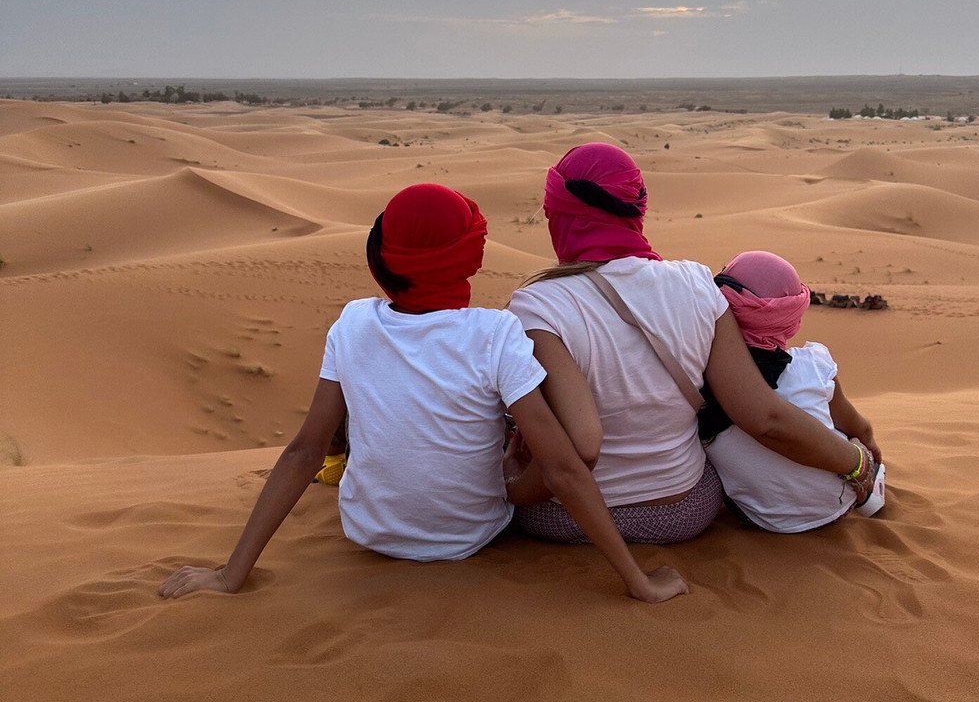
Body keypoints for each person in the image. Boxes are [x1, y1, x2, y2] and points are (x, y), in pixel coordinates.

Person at [159, 183, 687, 603]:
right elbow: (564, 468)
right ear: (471, 256)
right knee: (511, 428)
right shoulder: (494, 333)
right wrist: (639, 583)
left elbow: (304, 450)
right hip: (470, 541)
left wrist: (230, 574)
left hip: (369, 533)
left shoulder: (353, 323)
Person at [503, 143, 876, 544]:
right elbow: (763, 417)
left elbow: (573, 448)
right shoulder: (698, 284)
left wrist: (507, 486)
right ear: (636, 208)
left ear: (561, 215)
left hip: (570, 519)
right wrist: (858, 462)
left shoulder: (536, 307)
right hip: (687, 510)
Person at [705, 251, 881, 532]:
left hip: (764, 519)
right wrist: (867, 446)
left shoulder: (702, 380)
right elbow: (857, 426)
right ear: (790, 316)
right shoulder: (814, 365)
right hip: (836, 504)